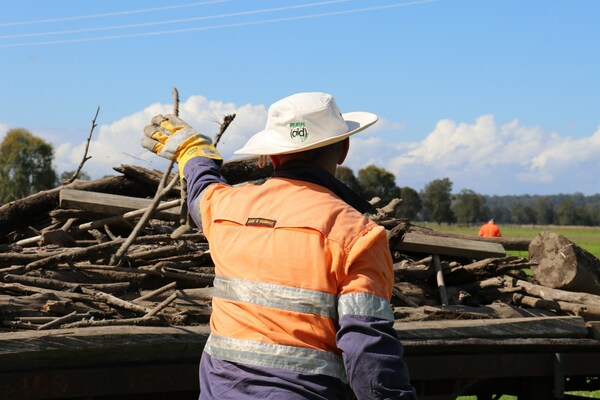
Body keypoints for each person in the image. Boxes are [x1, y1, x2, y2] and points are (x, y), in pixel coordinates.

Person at [142, 92, 416, 399]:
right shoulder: (358, 235)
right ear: (344, 149)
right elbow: (367, 349)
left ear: (269, 157)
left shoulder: (226, 211)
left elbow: (200, 191)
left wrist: (193, 151)